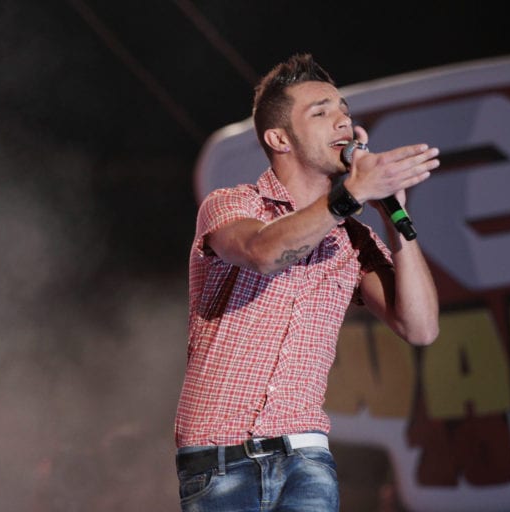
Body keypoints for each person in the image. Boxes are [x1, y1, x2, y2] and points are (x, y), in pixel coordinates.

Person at [174, 53, 440, 511]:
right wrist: (353, 193)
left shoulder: (353, 239)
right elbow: (264, 253)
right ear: (279, 138)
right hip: (222, 458)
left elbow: (421, 327)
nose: (342, 121)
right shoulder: (232, 205)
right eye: (321, 112)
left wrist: (394, 215)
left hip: (306, 455)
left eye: (344, 111)